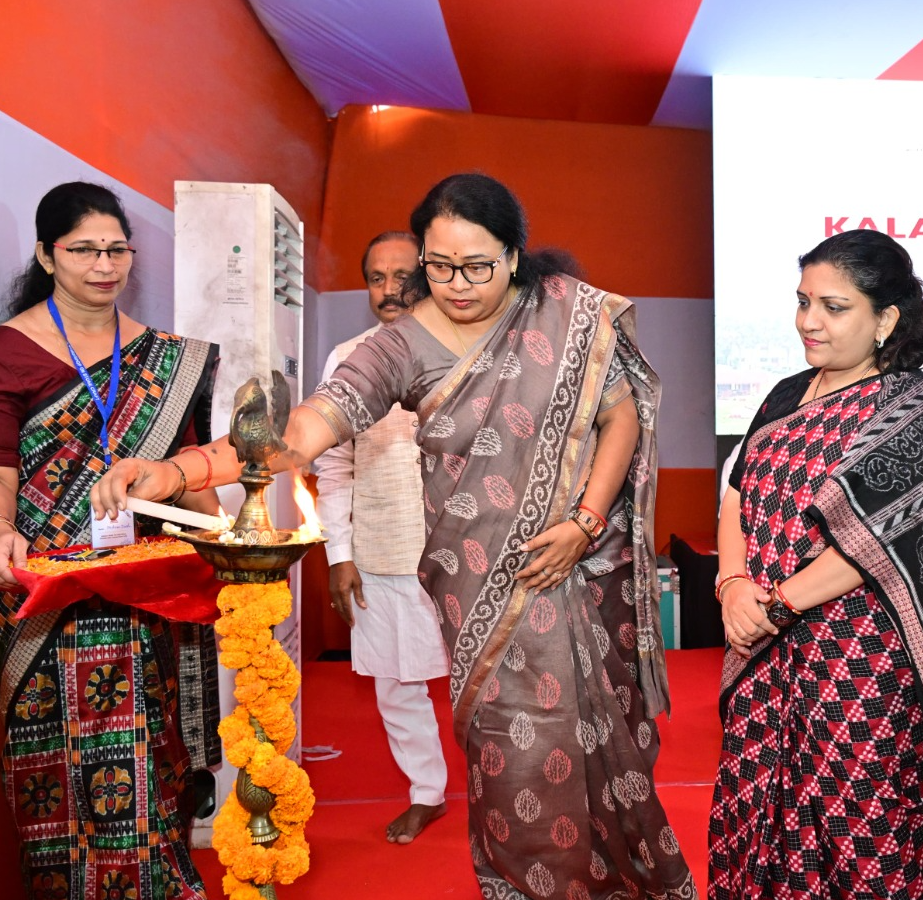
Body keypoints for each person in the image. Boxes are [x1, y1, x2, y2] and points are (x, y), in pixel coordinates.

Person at [92, 173, 698, 899]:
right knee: (515, 758)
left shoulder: (567, 312)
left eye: (478, 266)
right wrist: (178, 468)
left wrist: (584, 522)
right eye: (437, 268)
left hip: (582, 563)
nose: (457, 284)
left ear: (514, 255)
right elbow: (302, 431)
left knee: (604, 741)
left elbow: (620, 417)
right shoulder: (397, 346)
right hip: (480, 580)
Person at [709, 229, 923, 898]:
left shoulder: (909, 408)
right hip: (766, 645)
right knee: (761, 813)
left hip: (862, 659)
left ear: (886, 318)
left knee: (862, 822)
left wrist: (771, 606)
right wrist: (734, 583)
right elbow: (738, 491)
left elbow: (877, 540)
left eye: (833, 306)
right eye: (803, 302)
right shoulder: (784, 393)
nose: (808, 321)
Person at [0, 182, 221, 899]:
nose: (103, 265)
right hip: (41, 589)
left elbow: (188, 469)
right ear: (47, 254)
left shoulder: (162, 359)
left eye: (116, 250)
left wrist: (221, 528)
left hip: (144, 589)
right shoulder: (1, 354)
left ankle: (155, 884)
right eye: (83, 250)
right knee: (52, 766)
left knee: (148, 754)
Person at [315, 229, 451, 844]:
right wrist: (339, 557)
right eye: (376, 277)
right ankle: (428, 792)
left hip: (467, 551)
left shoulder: (466, 346)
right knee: (398, 685)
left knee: (497, 683)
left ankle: (511, 789)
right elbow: (332, 465)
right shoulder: (350, 357)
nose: (391, 290)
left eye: (404, 276)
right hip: (384, 549)